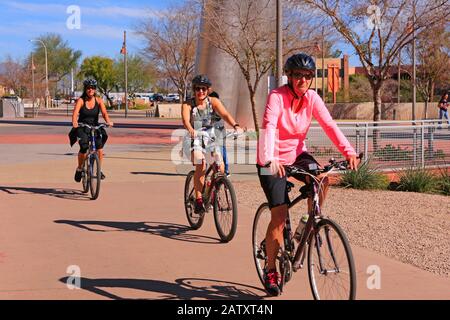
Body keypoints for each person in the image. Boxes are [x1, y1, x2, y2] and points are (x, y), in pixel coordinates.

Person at [256, 53, 359, 296]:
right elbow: (269, 127)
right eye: (298, 75)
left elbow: (329, 125)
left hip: (297, 154)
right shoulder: (276, 97)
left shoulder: (312, 98)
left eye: (307, 76)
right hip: (270, 159)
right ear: (289, 77)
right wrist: (270, 159)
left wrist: (349, 152)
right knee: (279, 219)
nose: (303, 80)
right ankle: (271, 269)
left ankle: (310, 222)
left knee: (322, 178)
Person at [181, 75, 242, 214]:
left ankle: (209, 191)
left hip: (210, 137)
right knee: (201, 163)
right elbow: (185, 120)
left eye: (203, 88)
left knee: (220, 167)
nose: (200, 91)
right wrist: (191, 130)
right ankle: (198, 200)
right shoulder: (188, 104)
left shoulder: (213, 101)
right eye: (197, 88)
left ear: (208, 90)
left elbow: (225, 114)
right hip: (194, 137)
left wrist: (236, 125)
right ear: (194, 89)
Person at [71, 79, 114, 182]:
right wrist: (74, 122)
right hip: (82, 126)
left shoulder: (98, 100)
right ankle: (80, 168)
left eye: (93, 88)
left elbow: (104, 113)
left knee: (99, 148)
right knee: (84, 147)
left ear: (95, 89)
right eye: (88, 88)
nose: (91, 90)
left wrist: (108, 121)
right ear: (85, 89)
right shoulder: (81, 101)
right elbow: (75, 113)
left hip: (95, 126)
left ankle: (98, 170)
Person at [208, 90, 230, 176]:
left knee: (220, 151)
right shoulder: (221, 104)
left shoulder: (217, 105)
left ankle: (223, 171)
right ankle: (225, 170)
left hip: (217, 130)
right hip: (221, 129)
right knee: (222, 150)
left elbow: (219, 115)